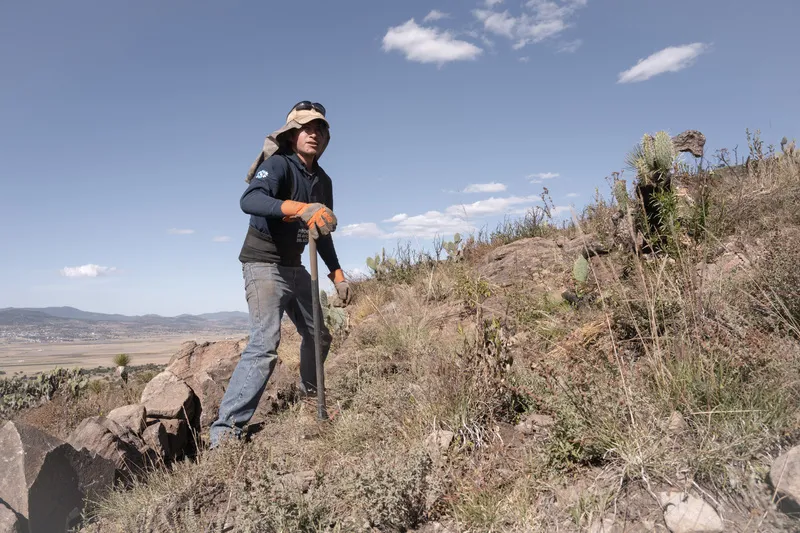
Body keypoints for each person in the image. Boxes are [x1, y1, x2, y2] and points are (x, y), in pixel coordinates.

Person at [209, 101, 352, 447]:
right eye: (306, 128)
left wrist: (337, 273)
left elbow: (322, 230)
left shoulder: (323, 181)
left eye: (319, 129)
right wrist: (298, 209)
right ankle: (226, 432)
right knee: (265, 343)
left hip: (295, 265)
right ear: (291, 135)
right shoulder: (277, 165)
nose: (313, 134)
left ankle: (310, 399)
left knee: (318, 334)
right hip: (262, 264)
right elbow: (251, 200)